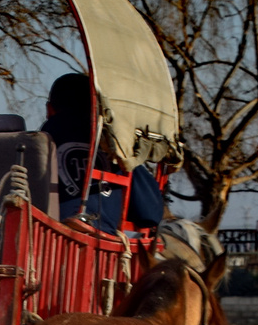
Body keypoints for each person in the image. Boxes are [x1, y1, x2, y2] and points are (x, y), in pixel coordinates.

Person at [40, 72, 165, 235]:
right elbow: (150, 213)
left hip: (45, 240)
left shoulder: (36, 144)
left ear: (49, 109)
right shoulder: (118, 149)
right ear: (98, 108)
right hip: (101, 248)